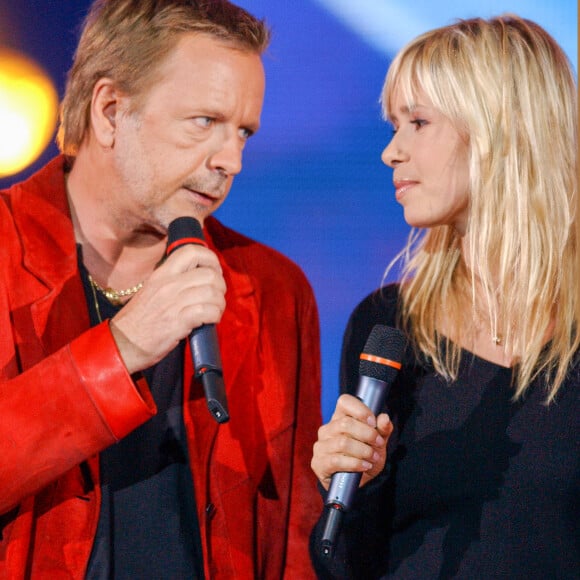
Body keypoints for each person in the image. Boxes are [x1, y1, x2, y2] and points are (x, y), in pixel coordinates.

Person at [0, 0, 322, 577]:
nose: (232, 161)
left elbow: (288, 539)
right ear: (110, 111)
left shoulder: (272, 289)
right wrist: (120, 350)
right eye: (204, 122)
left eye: (243, 132)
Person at [310, 15, 579, 579]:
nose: (391, 152)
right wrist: (353, 484)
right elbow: (343, 564)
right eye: (393, 126)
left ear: (501, 128)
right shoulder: (388, 327)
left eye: (418, 122)